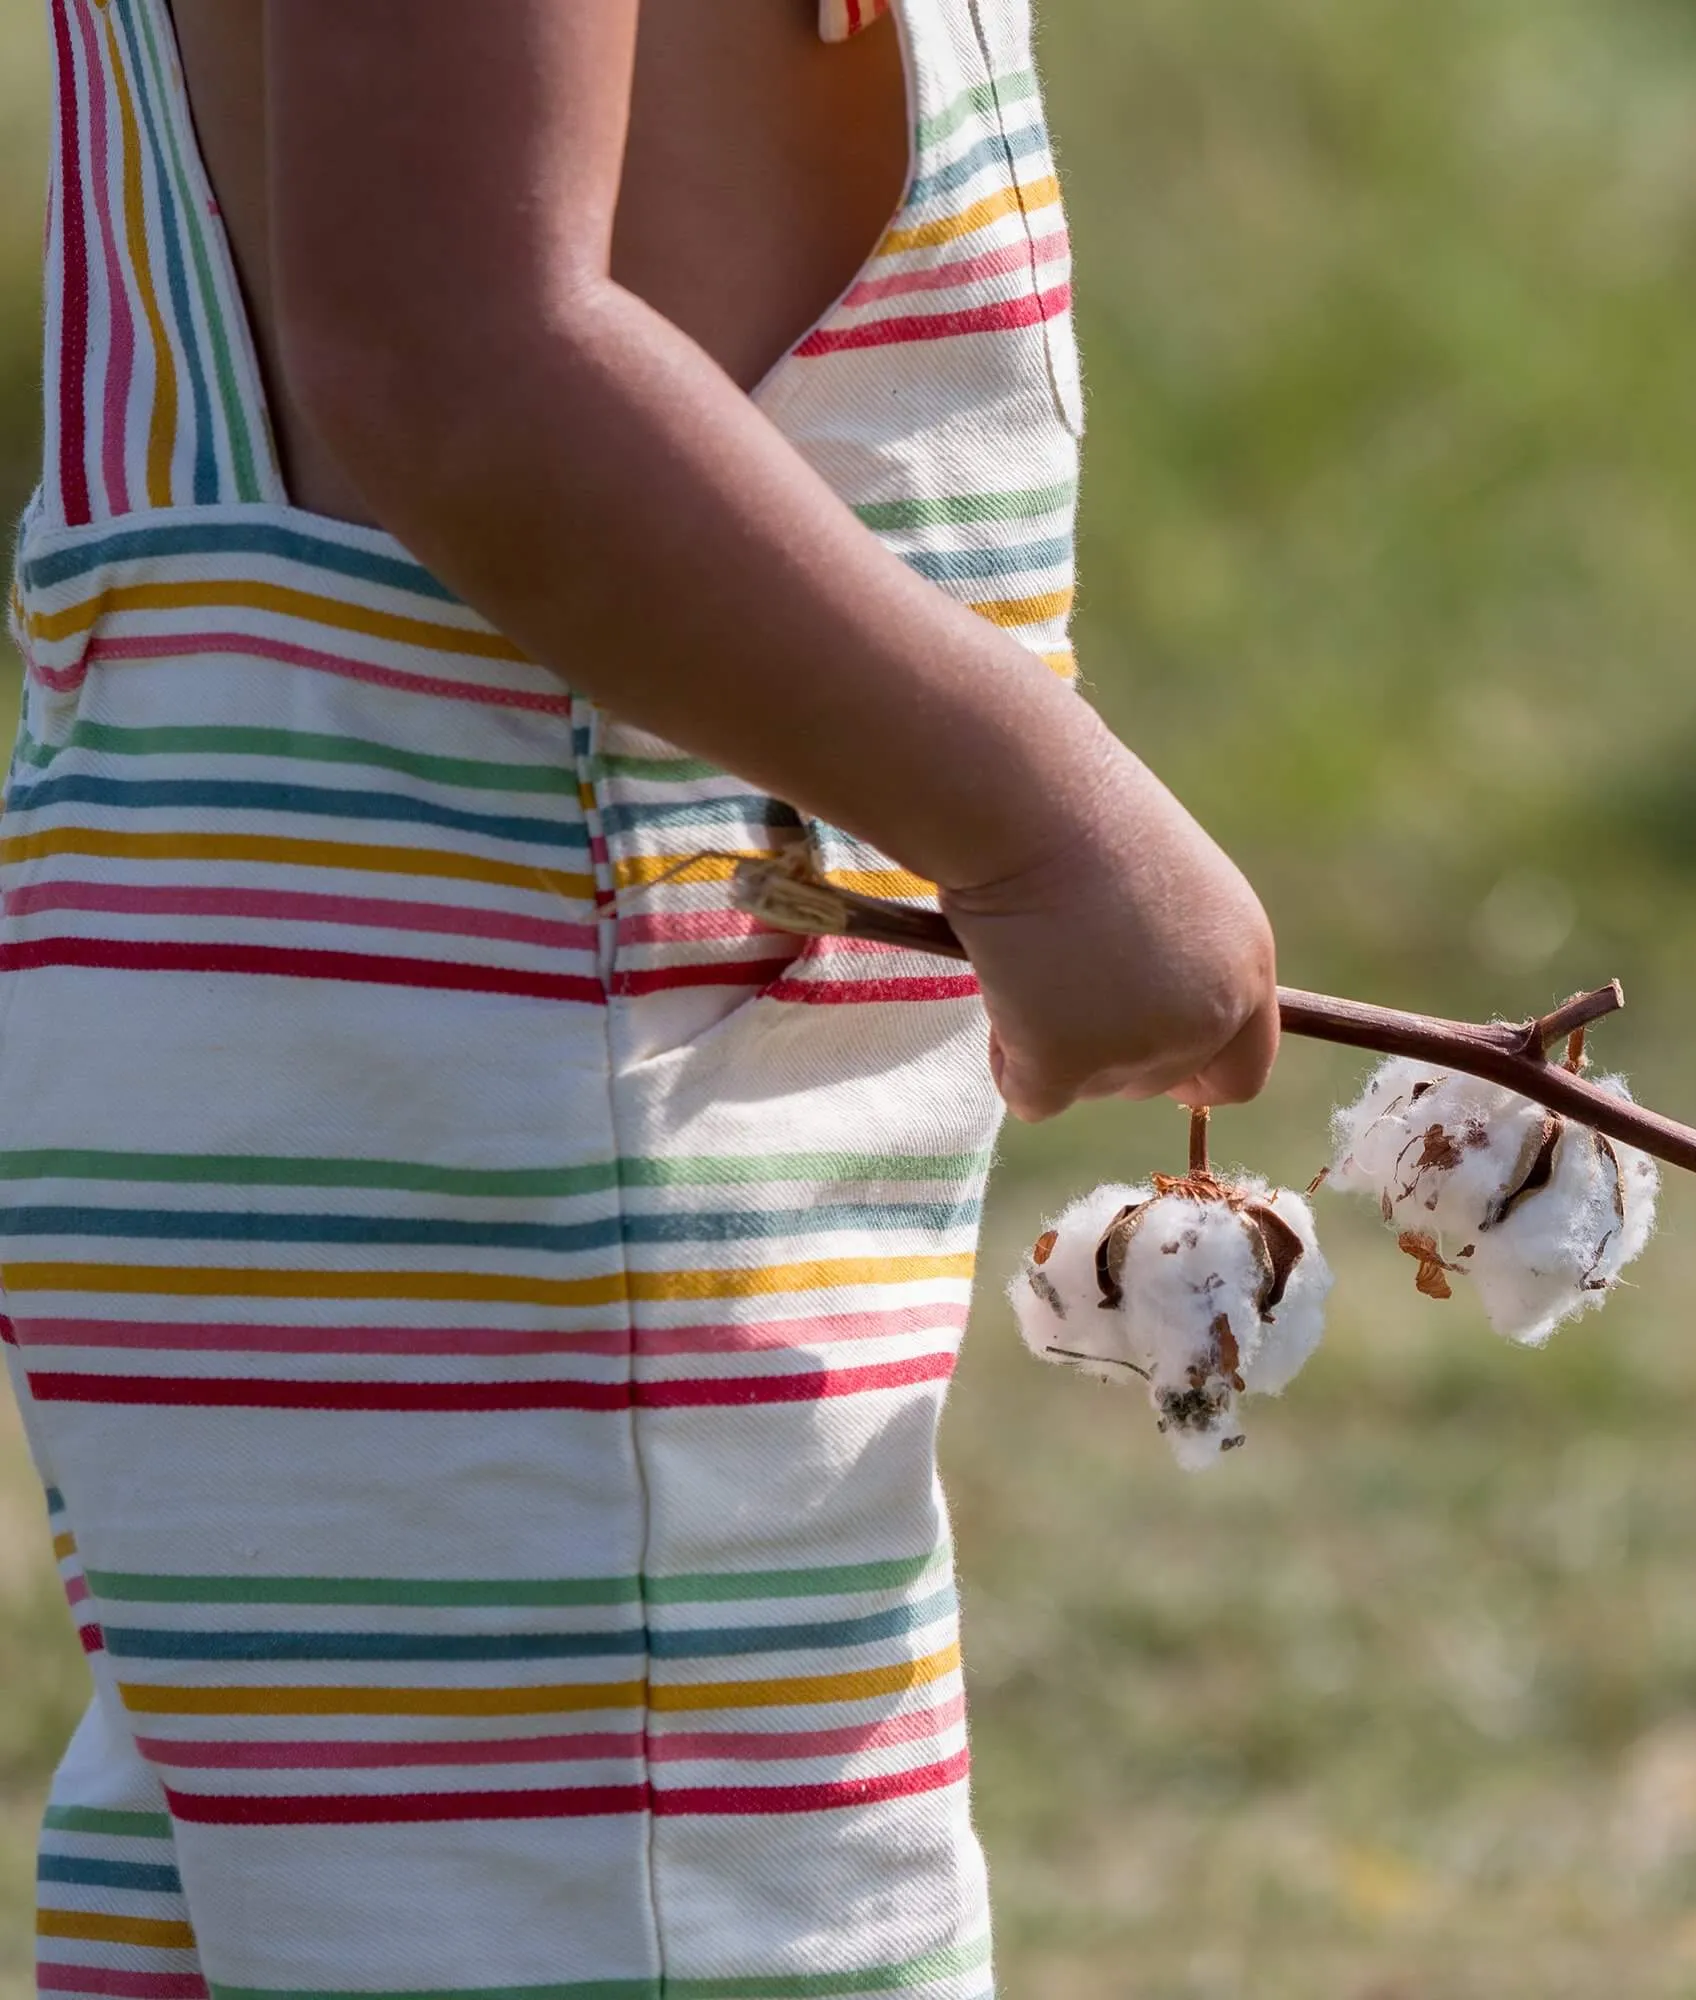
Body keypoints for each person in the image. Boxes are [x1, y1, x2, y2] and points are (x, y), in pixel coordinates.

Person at [5, 2, 1278, 1992]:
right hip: (539, 1120)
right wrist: (1033, 825)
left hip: (369, 1050)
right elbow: (455, 349)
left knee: (348, 1908)